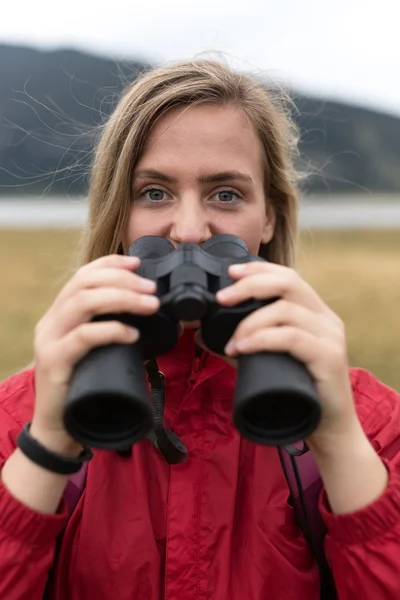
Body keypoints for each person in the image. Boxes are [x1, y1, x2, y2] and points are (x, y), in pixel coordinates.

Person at [0, 59, 399, 600]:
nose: (189, 231)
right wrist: (49, 439)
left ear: (270, 218)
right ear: (119, 217)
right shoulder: (18, 419)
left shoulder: (373, 426)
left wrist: (335, 437)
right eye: (155, 194)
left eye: (226, 194)